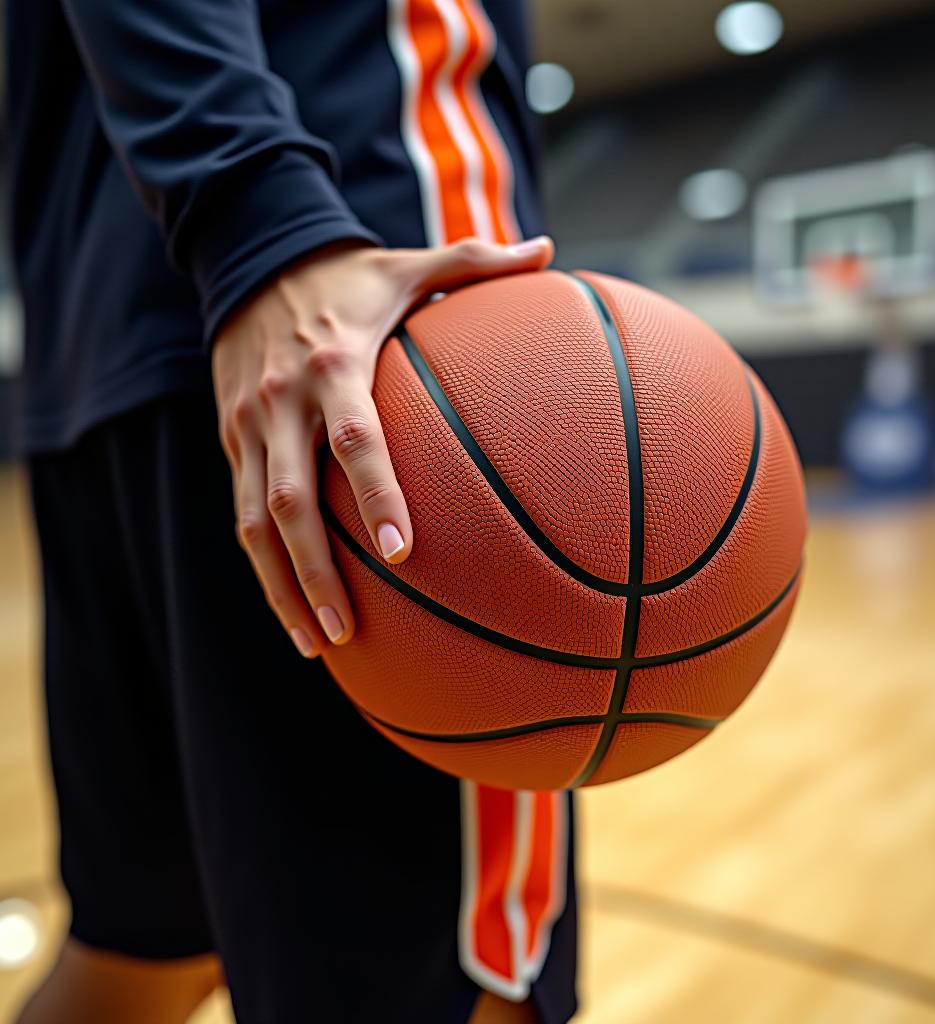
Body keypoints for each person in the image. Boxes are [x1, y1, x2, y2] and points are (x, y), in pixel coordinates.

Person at [5, 1, 578, 1021]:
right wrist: (262, 221)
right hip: (358, 340)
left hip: (105, 348)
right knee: (457, 994)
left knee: (134, 968)